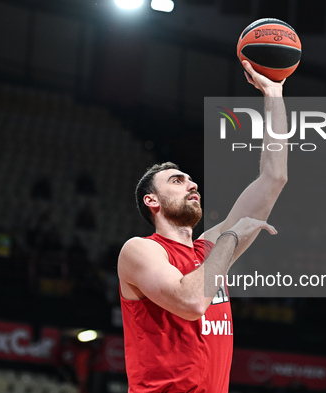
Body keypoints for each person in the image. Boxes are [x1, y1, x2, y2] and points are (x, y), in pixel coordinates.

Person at [118, 60, 289, 392]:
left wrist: (274, 93)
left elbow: (274, 178)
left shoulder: (209, 248)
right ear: (151, 201)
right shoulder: (140, 250)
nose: (192, 184)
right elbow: (191, 302)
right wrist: (231, 237)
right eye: (178, 180)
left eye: (192, 180)